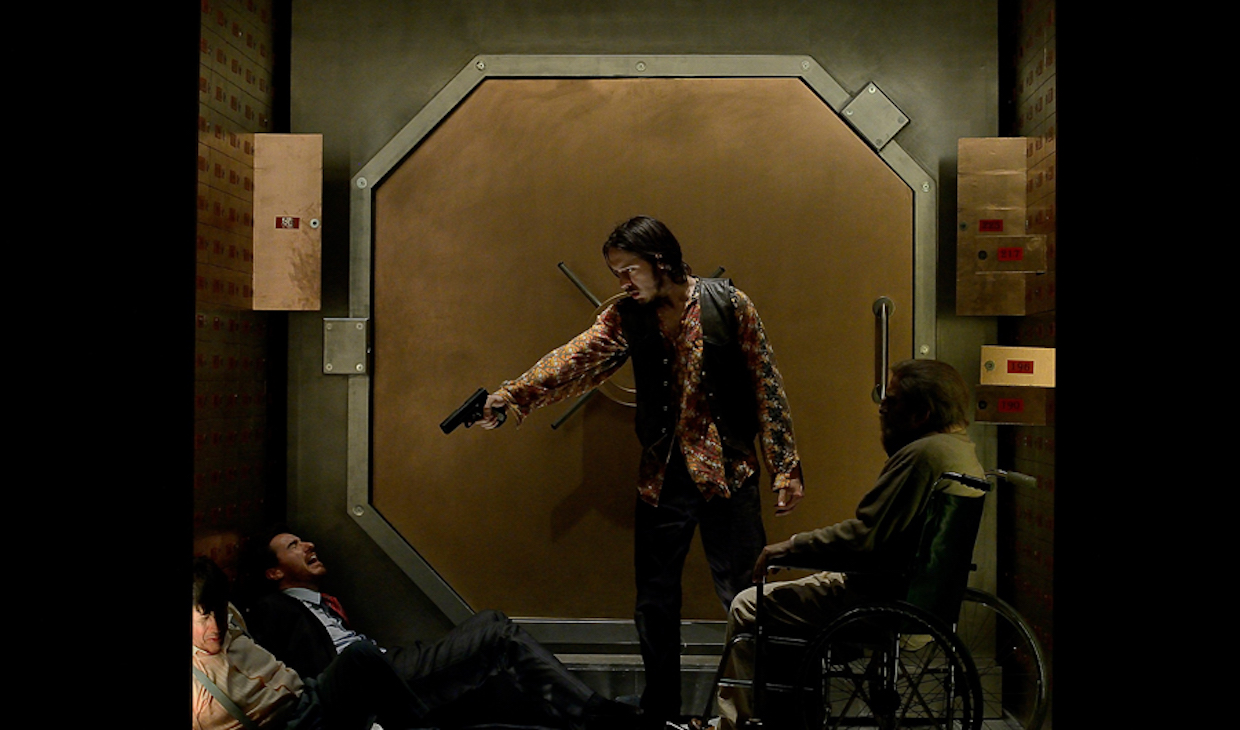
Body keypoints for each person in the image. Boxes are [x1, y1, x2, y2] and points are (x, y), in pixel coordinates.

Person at [478, 216, 805, 721]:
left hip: (728, 473)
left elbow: (766, 382)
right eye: (617, 274)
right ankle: (662, 713)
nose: (624, 282)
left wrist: (785, 465)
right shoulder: (626, 316)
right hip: (663, 476)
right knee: (654, 603)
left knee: (744, 597)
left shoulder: (730, 304)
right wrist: (512, 395)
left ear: (661, 261)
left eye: (629, 270)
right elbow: (575, 358)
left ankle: (768, 710)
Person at [712, 358, 987, 730]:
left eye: (892, 400)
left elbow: (864, 537)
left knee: (748, 605)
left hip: (878, 598)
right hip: (920, 598)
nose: (882, 407)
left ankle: (732, 724)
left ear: (921, 413)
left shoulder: (922, 456)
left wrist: (789, 548)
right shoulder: (962, 452)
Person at [240, 525, 638, 730]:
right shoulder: (275, 609)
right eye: (293, 546)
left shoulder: (320, 603)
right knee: (497, 637)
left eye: (303, 541)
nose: (308, 545)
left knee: (492, 625)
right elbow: (304, 674)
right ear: (274, 572)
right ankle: (599, 716)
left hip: (391, 660)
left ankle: (581, 714)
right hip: (379, 677)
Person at [192, 555, 424, 730]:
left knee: (360, 654)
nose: (216, 626)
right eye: (204, 618)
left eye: (219, 612)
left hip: (307, 699)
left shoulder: (231, 618)